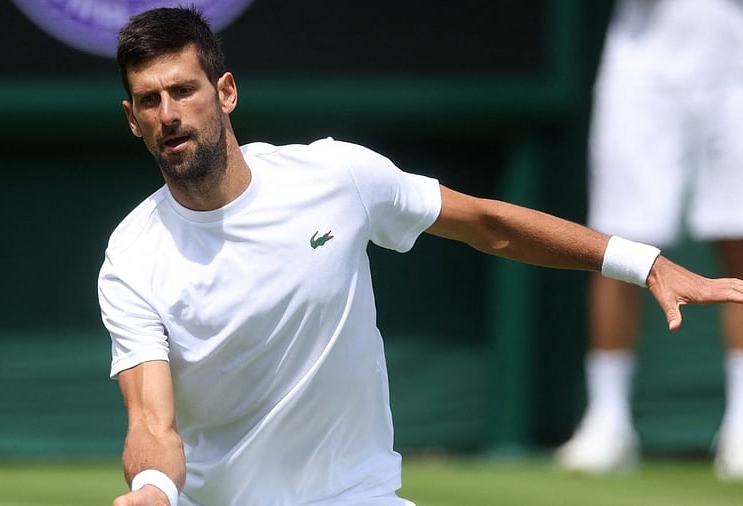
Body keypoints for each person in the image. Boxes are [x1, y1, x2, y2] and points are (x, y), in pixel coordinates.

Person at [98, 7, 743, 505]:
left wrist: (645, 262)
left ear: (227, 92)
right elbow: (152, 419)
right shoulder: (132, 257)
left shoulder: (336, 176)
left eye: (183, 91)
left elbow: (490, 224)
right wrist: (154, 485)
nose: (169, 114)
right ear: (132, 120)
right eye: (150, 101)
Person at [554, 0, 743, 480]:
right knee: (622, 245)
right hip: (642, 68)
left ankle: (741, 424)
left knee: (739, 238)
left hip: (734, 59)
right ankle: (608, 422)